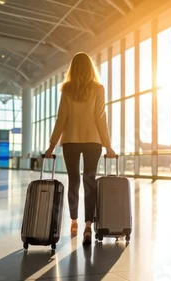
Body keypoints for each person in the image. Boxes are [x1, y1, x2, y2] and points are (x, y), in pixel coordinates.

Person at [44, 52, 116, 246]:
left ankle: (74, 222)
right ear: (91, 67)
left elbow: (61, 119)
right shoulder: (98, 89)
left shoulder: (67, 89)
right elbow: (101, 118)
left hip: (71, 141)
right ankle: (88, 225)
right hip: (94, 141)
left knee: (74, 180)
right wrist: (108, 145)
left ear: (73, 68)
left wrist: (51, 146)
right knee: (89, 182)